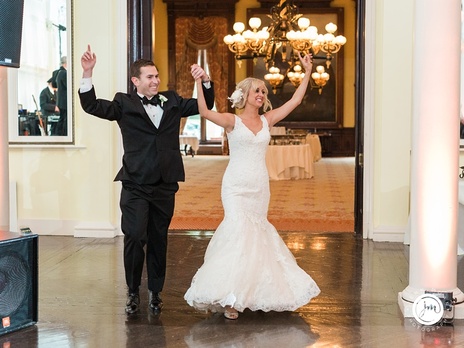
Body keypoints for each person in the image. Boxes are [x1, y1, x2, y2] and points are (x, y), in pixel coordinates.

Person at [79, 45, 215, 315]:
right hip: (135, 183)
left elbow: (205, 105)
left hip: (165, 184)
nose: (156, 81)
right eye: (150, 77)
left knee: (158, 238)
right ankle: (132, 291)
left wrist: (205, 80)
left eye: (157, 76)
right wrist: (87, 73)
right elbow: (92, 106)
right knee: (134, 236)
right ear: (135, 81)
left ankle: (155, 291)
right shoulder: (123, 103)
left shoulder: (172, 100)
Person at [184, 52, 320, 320]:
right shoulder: (232, 121)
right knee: (237, 233)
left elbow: (296, 99)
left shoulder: (267, 120)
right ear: (244, 95)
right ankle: (229, 297)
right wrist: (200, 82)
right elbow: (203, 111)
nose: (262, 94)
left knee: (256, 236)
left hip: (259, 186)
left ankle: (253, 292)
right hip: (235, 186)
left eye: (264, 91)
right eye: (257, 90)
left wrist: (307, 71)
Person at [53, 56, 67, 135]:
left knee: (62, 118)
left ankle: (59, 134)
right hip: (64, 101)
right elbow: (67, 86)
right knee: (63, 119)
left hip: (60, 101)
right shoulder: (64, 73)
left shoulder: (57, 72)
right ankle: (61, 134)